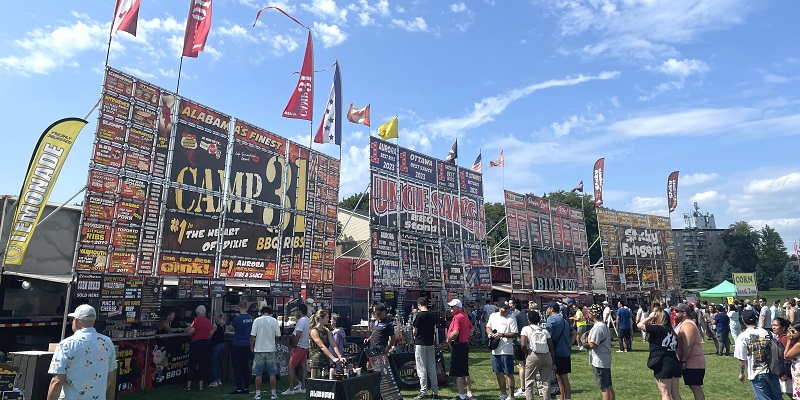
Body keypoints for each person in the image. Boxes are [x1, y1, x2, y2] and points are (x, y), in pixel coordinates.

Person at [47, 305, 116, 400]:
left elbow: (57, 381)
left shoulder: (66, 344)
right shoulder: (107, 342)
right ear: (94, 321)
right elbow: (111, 375)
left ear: (76, 320)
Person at [735, 309, 782, 400]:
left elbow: (742, 359)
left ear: (743, 320)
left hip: (756, 373)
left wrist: (742, 373)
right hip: (772, 369)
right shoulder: (767, 333)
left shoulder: (742, 337)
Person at [638, 309, 681, 400]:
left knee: (665, 394)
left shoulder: (658, 328)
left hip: (662, 363)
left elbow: (639, 325)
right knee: (676, 394)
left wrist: (649, 317)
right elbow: (677, 349)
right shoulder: (672, 331)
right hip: (674, 362)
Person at [674, 303, 706, 400]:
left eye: (677, 311)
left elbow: (687, 345)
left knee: (695, 387)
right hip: (689, 361)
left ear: (684, 313)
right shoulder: (682, 323)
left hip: (693, 361)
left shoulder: (688, 325)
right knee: (693, 386)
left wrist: (683, 361)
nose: (674, 313)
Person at [487, 303, 518, 400]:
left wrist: (502, 334)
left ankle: (511, 395)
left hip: (506, 349)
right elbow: (488, 326)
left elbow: (515, 333)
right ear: (499, 308)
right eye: (504, 308)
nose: (506, 310)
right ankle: (503, 393)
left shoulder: (511, 318)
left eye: (507, 309)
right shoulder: (493, 316)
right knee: (498, 372)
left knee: (508, 373)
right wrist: (489, 333)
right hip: (495, 350)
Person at [520, 310, 554, 400]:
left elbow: (523, 345)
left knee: (529, 381)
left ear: (529, 319)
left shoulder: (526, 329)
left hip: (533, 354)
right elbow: (551, 346)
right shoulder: (544, 330)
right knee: (546, 382)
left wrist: (527, 353)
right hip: (546, 355)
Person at [546, 301, 576, 400]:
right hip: (565, 351)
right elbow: (574, 332)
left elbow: (548, 335)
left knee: (561, 378)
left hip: (556, 352)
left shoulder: (551, 319)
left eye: (548, 308)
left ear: (551, 309)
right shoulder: (563, 320)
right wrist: (569, 344)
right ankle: (564, 397)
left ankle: (567, 397)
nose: (546, 310)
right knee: (562, 377)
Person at [251, 307, 282, 400]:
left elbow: (252, 335)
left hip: (259, 349)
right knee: (272, 373)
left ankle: (257, 394)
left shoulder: (257, 320)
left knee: (258, 373)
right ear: (271, 312)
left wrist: (251, 346)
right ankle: (273, 393)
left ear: (261, 312)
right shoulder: (274, 321)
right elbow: (278, 335)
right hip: (270, 349)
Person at [585, 304, 615, 400]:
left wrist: (588, 338)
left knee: (604, 387)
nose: (588, 314)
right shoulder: (603, 325)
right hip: (605, 358)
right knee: (608, 385)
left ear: (593, 314)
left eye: (589, 312)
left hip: (600, 360)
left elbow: (593, 345)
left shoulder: (598, 327)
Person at [413, 297, 441, 399]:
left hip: (420, 343)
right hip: (430, 343)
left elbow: (414, 331)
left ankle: (423, 392)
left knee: (421, 368)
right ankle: (435, 391)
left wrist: (414, 336)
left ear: (419, 305)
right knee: (431, 367)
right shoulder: (432, 315)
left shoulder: (419, 315)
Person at [448, 299, 474, 400]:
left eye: (452, 307)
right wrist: (467, 336)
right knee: (465, 371)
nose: (450, 309)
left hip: (458, 345)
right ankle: (469, 393)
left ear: (458, 308)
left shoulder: (457, 317)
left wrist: (448, 340)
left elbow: (455, 332)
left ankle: (462, 396)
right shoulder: (464, 316)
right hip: (464, 344)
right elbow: (471, 329)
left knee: (458, 372)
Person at [184, 305, 214, 391]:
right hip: (206, 344)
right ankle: (201, 386)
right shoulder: (209, 321)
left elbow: (191, 332)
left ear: (198, 312)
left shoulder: (196, 320)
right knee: (203, 364)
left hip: (196, 344)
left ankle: (189, 386)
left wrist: (187, 331)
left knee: (192, 364)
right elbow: (210, 334)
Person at [309, 309, 345, 378]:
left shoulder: (326, 330)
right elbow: (322, 346)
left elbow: (333, 344)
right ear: (321, 318)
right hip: (316, 361)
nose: (328, 319)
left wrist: (340, 356)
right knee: (315, 382)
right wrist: (333, 358)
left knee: (325, 380)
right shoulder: (314, 331)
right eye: (327, 317)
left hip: (325, 359)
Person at [284, 303, 310, 395]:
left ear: (300, 311)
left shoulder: (301, 321)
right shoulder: (308, 320)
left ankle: (291, 389)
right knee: (303, 367)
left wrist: (294, 345)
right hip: (306, 346)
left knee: (291, 367)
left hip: (299, 346)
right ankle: (303, 387)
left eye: (297, 310)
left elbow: (298, 334)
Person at [230, 301, 254, 395]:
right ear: (246, 308)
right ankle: (246, 386)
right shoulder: (251, 319)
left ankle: (239, 387)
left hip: (237, 344)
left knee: (237, 366)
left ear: (238, 307)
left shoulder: (237, 319)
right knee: (245, 366)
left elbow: (230, 329)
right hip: (247, 344)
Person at [510, 298, 529, 399]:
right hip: (525, 340)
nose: (509, 306)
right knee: (524, 365)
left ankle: (523, 389)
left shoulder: (515, 315)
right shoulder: (522, 314)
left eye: (510, 304)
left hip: (518, 341)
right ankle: (526, 387)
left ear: (514, 305)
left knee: (520, 365)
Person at [771, 317, 792, 398]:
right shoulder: (779, 338)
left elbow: (786, 357)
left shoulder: (784, 339)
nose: (773, 327)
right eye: (772, 325)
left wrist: (784, 372)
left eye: (776, 325)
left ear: (783, 327)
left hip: (785, 373)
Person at [783, 322, 800, 399]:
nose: (791, 334)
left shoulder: (798, 345)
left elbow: (786, 356)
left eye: (793, 332)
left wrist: (788, 341)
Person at [208, 313, 226, 388]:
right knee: (217, 363)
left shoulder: (214, 326)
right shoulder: (222, 326)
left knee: (214, 363)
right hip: (222, 345)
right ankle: (219, 380)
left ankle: (215, 381)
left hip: (216, 345)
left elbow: (210, 335)